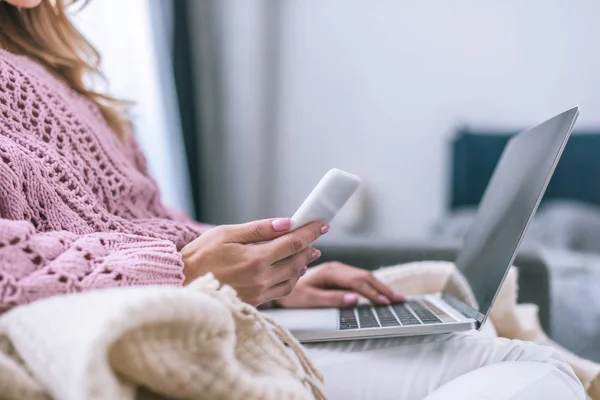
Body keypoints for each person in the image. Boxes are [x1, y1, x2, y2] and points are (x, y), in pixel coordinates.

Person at [0, 1, 586, 398]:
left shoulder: (58, 74)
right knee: (524, 370)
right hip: (152, 323)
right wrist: (181, 273)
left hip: (196, 306)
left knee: (472, 339)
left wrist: (274, 280)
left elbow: (151, 223)